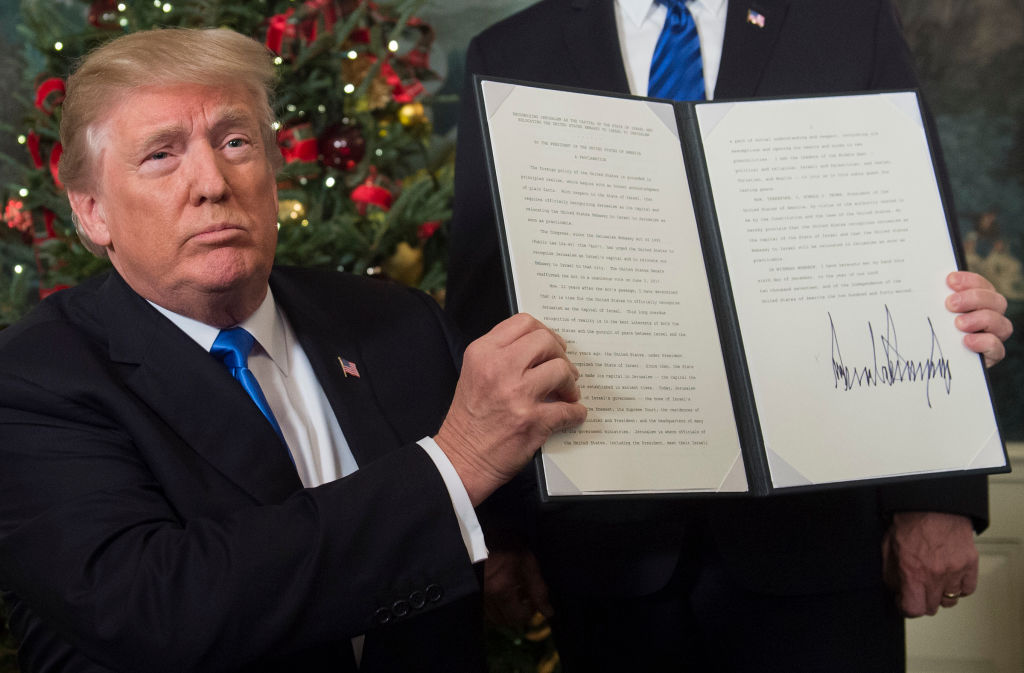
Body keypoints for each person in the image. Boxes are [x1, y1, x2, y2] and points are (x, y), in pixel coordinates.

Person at [447, 0, 1014, 670]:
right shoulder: (513, 50)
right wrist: (502, 529)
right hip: (606, 556)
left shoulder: (846, 23)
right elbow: (487, 305)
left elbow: (922, 259)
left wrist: (935, 499)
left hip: (821, 547)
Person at [0, 28, 587, 673]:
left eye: (235, 142)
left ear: (275, 174)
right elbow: (158, 606)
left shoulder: (400, 321)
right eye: (161, 155)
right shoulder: (32, 381)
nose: (212, 183)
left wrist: (506, 540)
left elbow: (513, 502)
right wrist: (456, 465)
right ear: (91, 213)